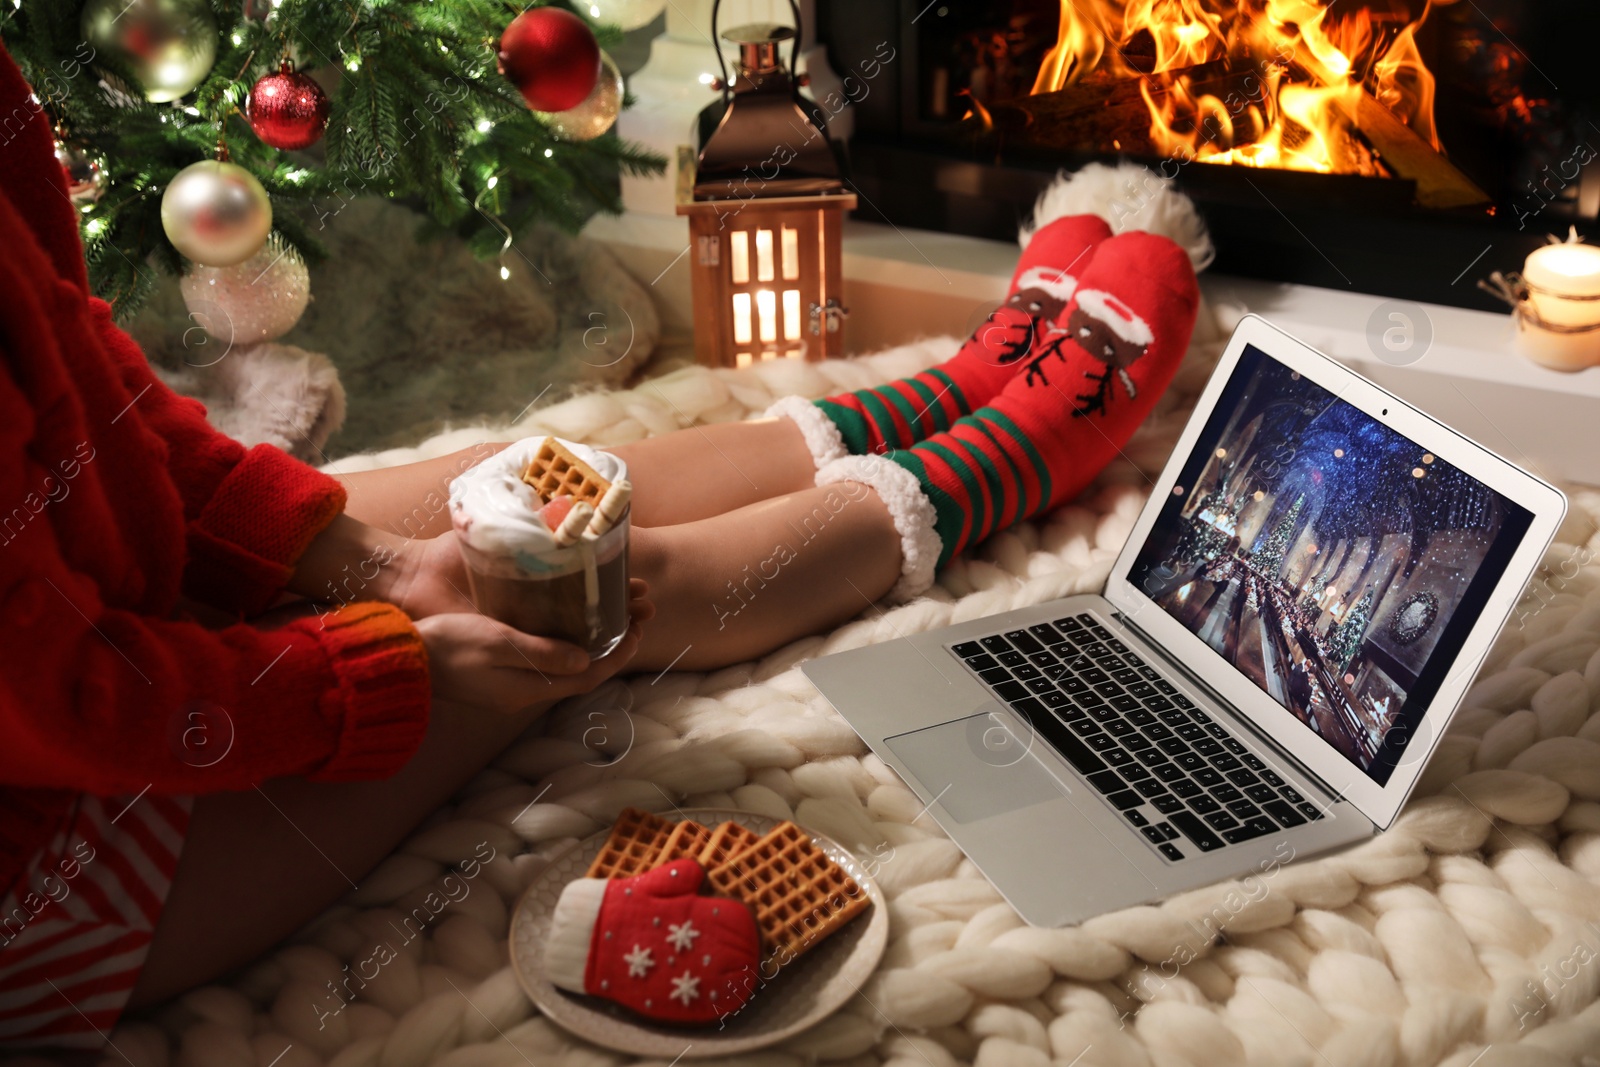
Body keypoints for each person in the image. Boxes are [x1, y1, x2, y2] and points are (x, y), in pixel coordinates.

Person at [0, 42, 1199, 1049]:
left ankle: (961, 387)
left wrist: (367, 563)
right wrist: (361, 672)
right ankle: (1019, 452)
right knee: (569, 605)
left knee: (500, 494)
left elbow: (103, 401)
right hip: (49, 859)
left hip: (89, 604)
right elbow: (66, 694)